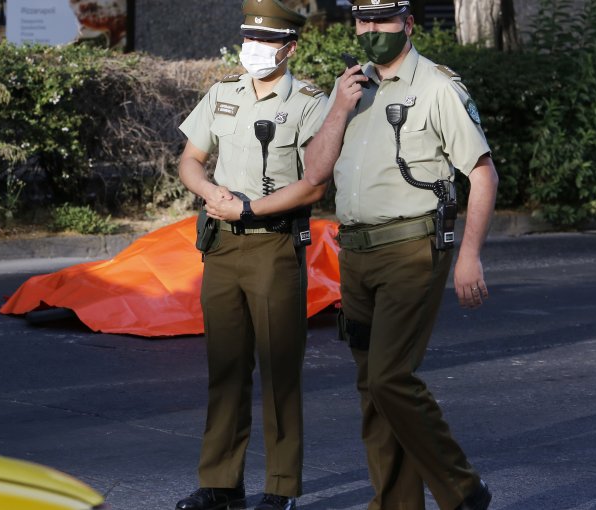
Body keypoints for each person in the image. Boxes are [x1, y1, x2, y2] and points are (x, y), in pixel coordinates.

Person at [302, 1, 498, 509]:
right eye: (364, 21)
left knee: (390, 377)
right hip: (356, 254)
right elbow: (315, 172)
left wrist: (469, 256)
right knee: (372, 387)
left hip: (413, 250)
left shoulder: (437, 86)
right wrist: (340, 108)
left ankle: (463, 492)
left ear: (407, 24)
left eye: (384, 21)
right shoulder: (350, 89)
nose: (372, 30)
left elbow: (481, 173)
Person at [174, 1, 330, 509]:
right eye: (250, 39)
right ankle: (221, 483)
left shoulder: (310, 102)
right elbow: (190, 159)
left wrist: (250, 208)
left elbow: (314, 186)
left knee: (279, 370)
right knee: (225, 368)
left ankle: (280, 488)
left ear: (289, 47)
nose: (255, 49)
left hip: (274, 246)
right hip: (220, 247)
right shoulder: (223, 93)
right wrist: (208, 191)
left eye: (265, 42)